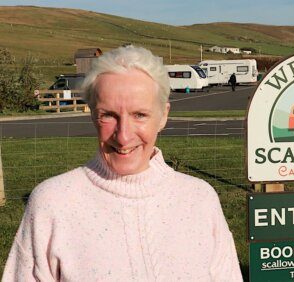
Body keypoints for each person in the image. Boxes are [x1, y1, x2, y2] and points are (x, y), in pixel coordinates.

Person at [2, 46, 243, 281]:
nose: (123, 136)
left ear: (163, 115)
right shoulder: (52, 203)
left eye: (140, 115)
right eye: (108, 115)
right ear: (93, 116)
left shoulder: (200, 199)